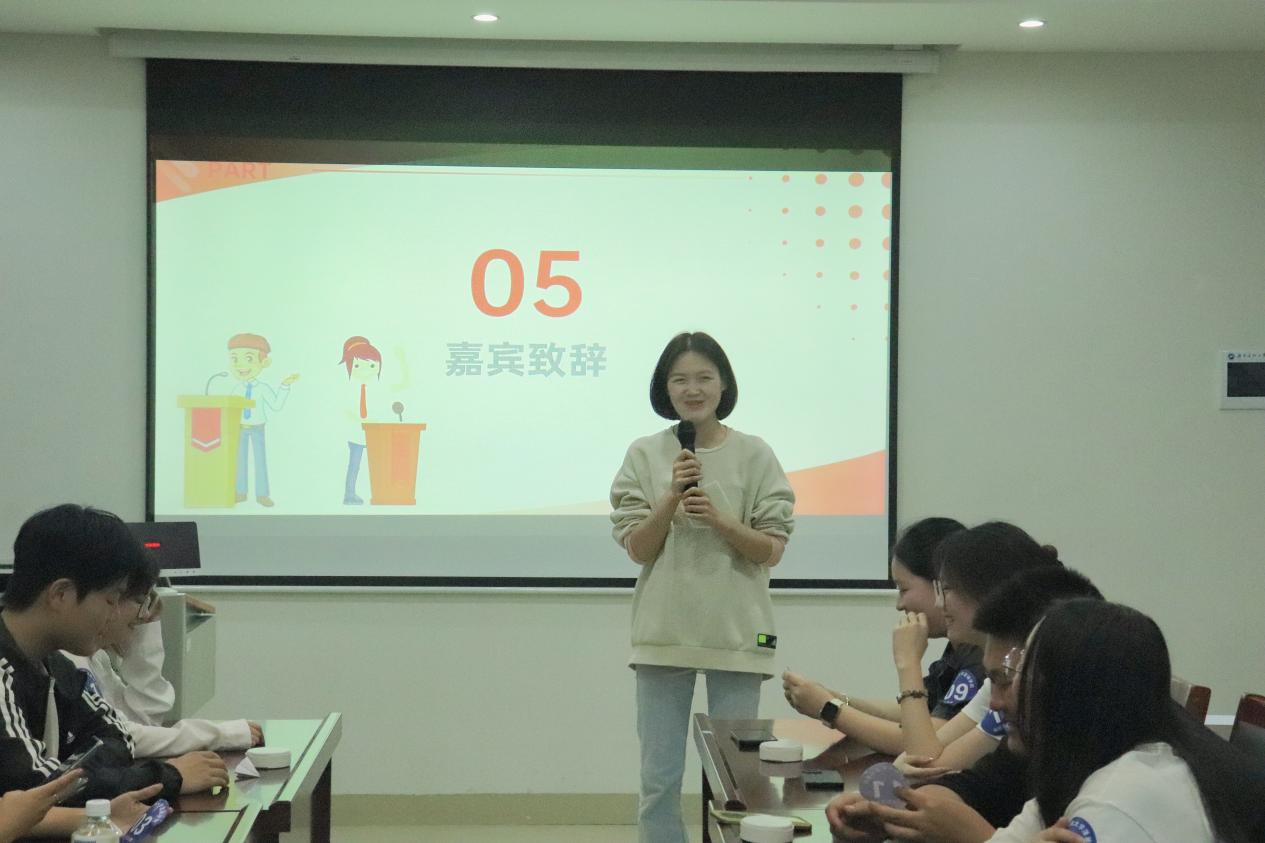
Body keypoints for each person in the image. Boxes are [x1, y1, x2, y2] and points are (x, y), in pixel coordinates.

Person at [610, 331, 795, 843]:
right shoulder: (645, 454)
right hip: (663, 632)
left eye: (704, 378)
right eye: (680, 380)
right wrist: (671, 496)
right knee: (659, 779)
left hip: (738, 633)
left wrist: (719, 520)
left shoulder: (755, 454)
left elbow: (771, 549)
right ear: (664, 388)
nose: (692, 389)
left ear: (723, 384)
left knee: (737, 778)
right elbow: (638, 548)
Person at [0, 504, 231, 836]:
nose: (116, 615)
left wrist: (84, 773)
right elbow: (41, 791)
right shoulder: (3, 671)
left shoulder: (55, 664)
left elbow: (118, 737)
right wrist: (169, 776)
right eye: (111, 599)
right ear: (61, 594)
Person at [829, 567, 1104, 843]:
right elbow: (962, 785)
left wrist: (975, 836)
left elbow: (926, 760)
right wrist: (888, 815)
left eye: (946, 589)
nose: (995, 703)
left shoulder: (1111, 784)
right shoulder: (1026, 750)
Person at [987, 599, 1265, 843]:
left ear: (1065, 694)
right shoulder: (1082, 770)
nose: (1000, 701)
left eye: (1020, 673)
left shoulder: (1118, 799)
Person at [782, 517, 971, 755]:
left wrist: (828, 708)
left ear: (940, 584)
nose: (899, 605)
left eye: (903, 589)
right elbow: (911, 715)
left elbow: (920, 746)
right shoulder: (959, 650)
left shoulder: (980, 655)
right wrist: (834, 698)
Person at [889, 523, 1061, 768]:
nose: (939, 603)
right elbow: (924, 757)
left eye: (946, 589)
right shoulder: (999, 676)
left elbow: (924, 764)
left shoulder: (1031, 672)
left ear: (988, 590)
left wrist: (908, 664)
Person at [63, 585, 262, 757]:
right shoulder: (69, 659)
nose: (145, 614)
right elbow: (121, 735)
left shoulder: (96, 658)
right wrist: (217, 735)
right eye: (141, 601)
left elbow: (145, 721)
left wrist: (145, 633)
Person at [226, 332, 300, 507]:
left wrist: (285, 386)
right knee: (240, 461)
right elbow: (230, 409)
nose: (240, 365)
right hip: (239, 428)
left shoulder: (263, 388)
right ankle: (240, 492)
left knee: (260, 462)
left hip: (257, 428)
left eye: (248, 358)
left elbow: (276, 405)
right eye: (235, 359)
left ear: (264, 362)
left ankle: (262, 495)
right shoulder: (237, 389)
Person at [339, 336, 383, 505]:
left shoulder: (376, 388)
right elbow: (347, 411)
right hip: (356, 433)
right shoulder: (349, 388)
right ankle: (349, 494)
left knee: (377, 464)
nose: (365, 370)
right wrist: (359, 419)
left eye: (372, 365)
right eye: (358, 366)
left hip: (374, 433)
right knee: (354, 465)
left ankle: (379, 493)